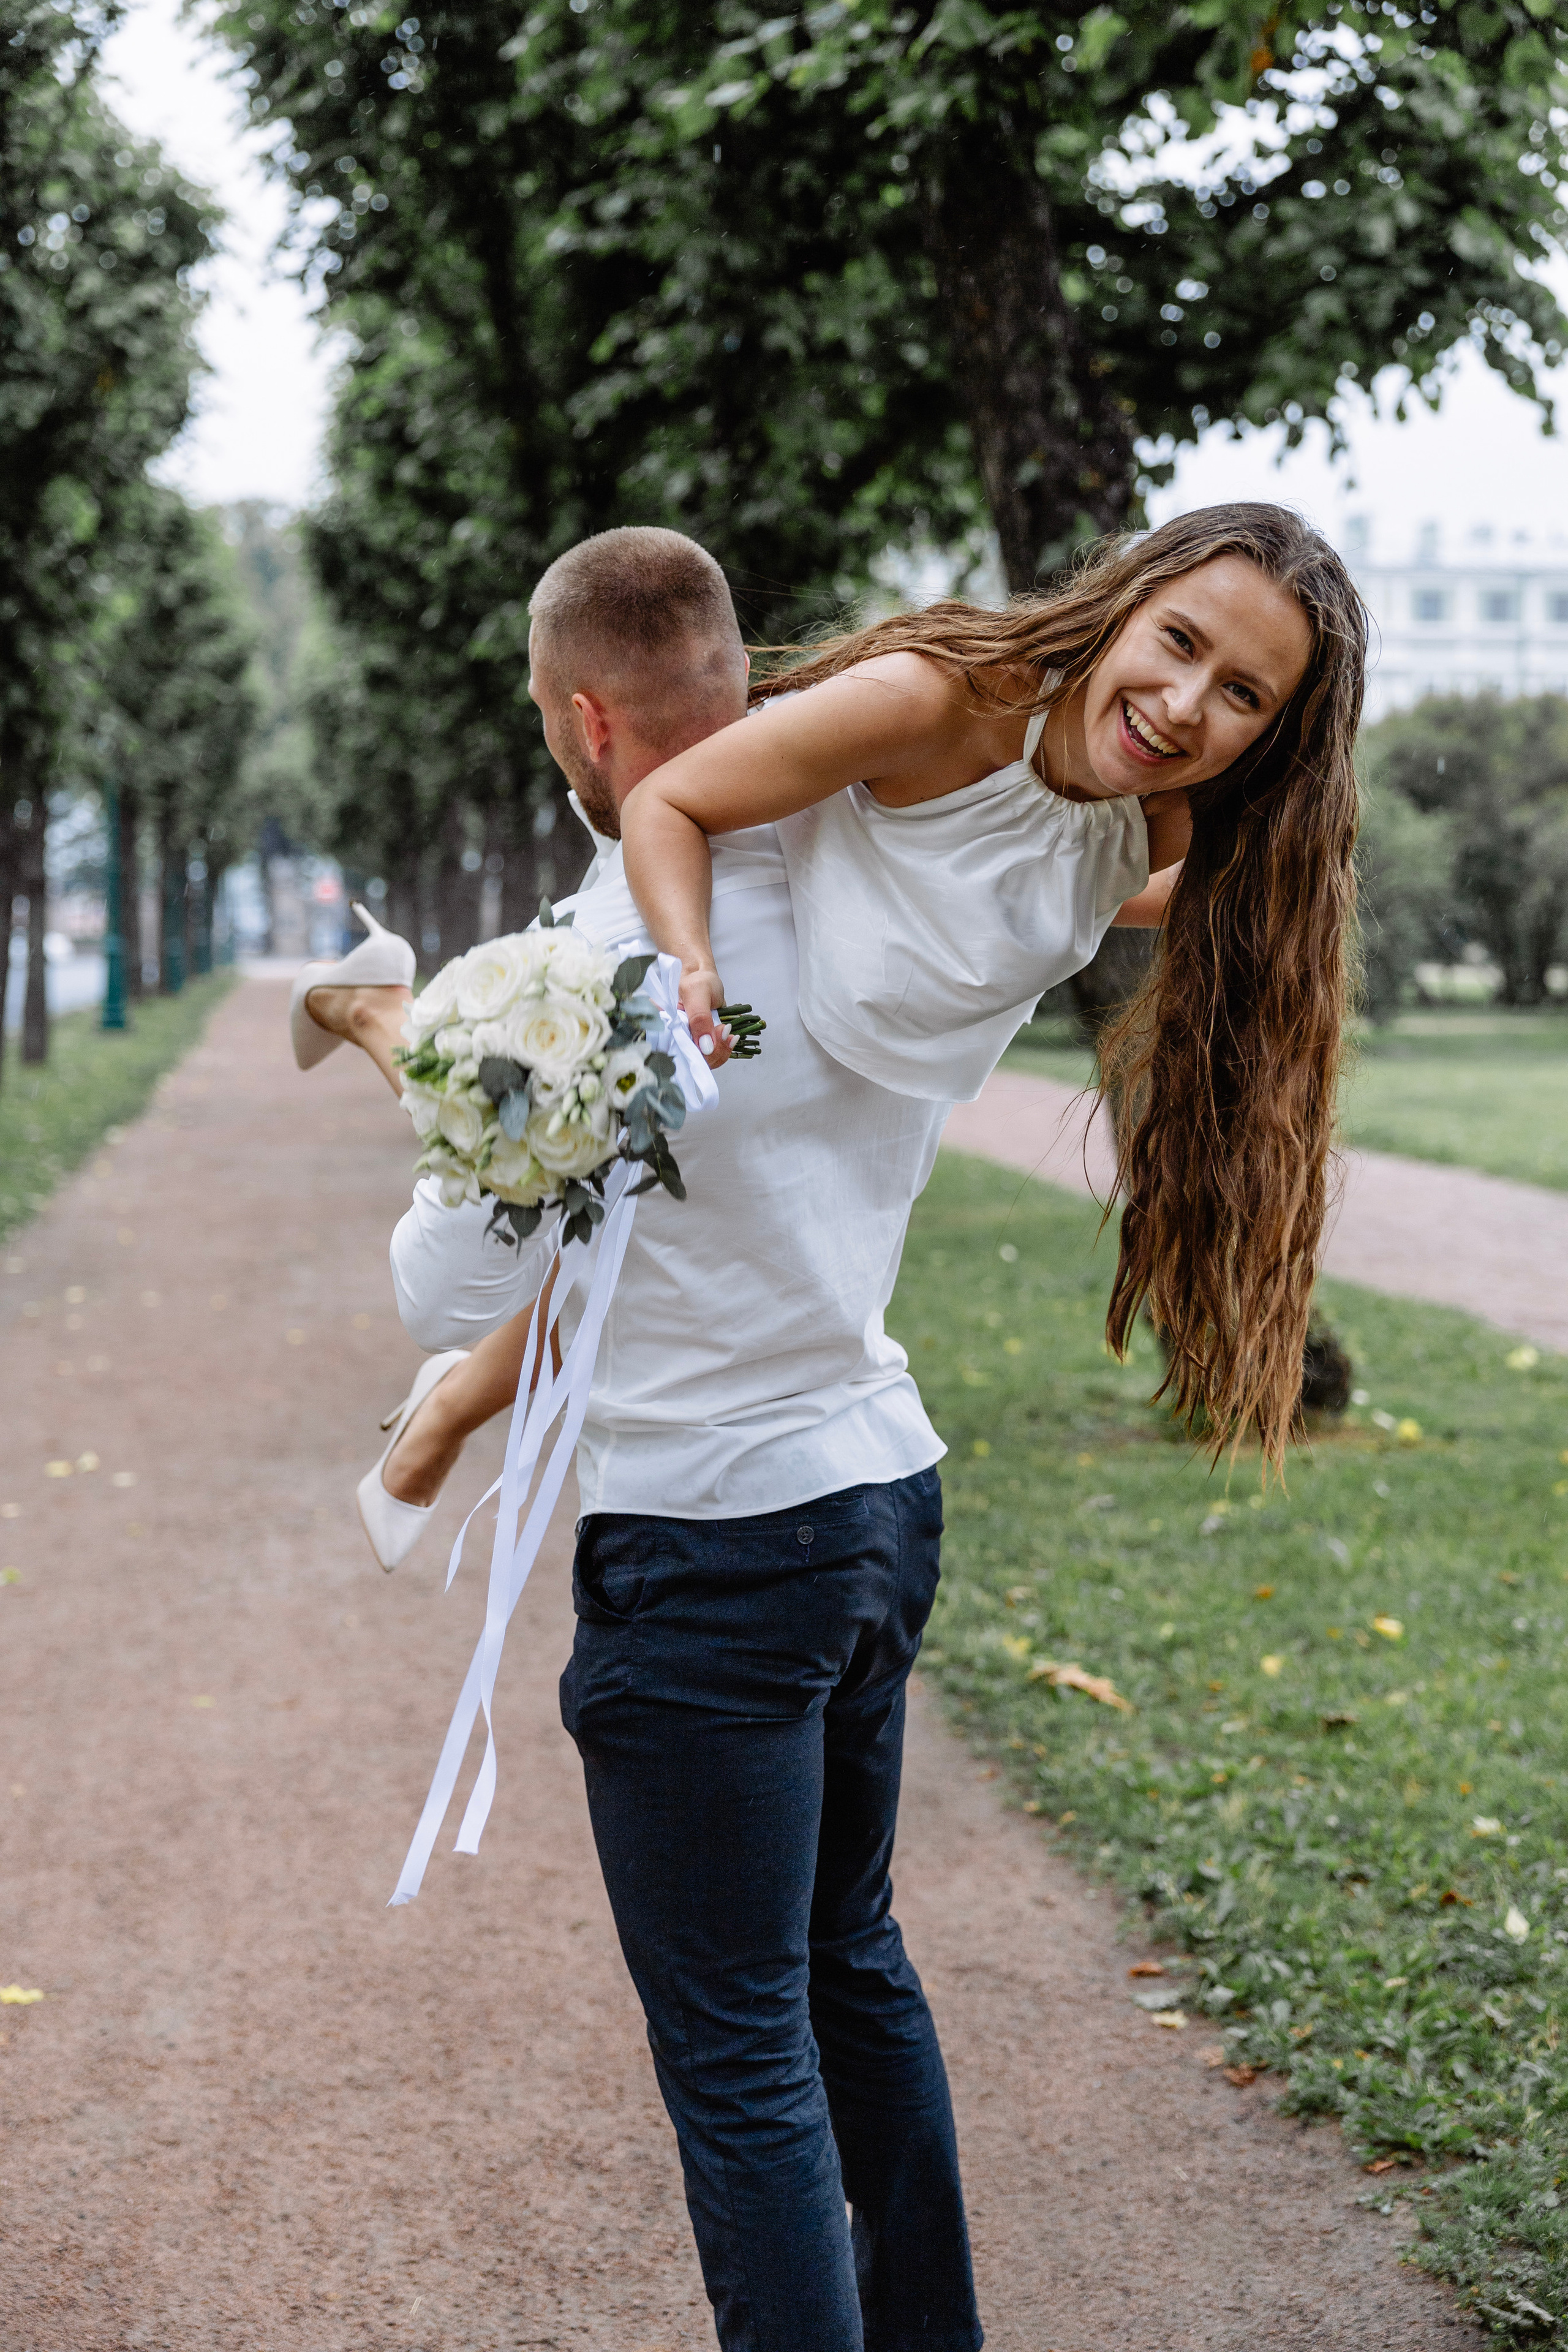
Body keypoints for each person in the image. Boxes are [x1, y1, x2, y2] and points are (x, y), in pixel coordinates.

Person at [621, 503, 1368, 1469]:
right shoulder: (933, 701)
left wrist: (1296, 877)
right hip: (726, 985)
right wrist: (690, 959)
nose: (1184, 704)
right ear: (1124, 601)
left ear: (1271, 734)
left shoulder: (1158, 819)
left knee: (765, 1370)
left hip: (865, 1110)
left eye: (1242, 694)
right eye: (1178, 640)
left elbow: (1064, 893)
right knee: (596, 1277)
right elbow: (667, 799)